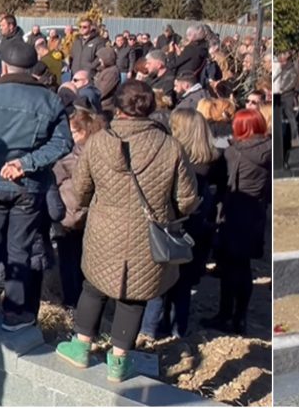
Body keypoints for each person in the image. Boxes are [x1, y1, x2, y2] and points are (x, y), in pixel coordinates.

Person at [55, 80, 198, 383]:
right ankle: (119, 361)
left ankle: (81, 347)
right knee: (134, 296)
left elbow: (79, 192)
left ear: (118, 107)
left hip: (104, 229)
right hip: (148, 233)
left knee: (93, 286)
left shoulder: (98, 142)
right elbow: (187, 200)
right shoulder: (170, 146)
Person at [0, 41, 71, 331]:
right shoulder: (50, 100)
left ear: (3, 67)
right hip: (30, 185)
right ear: (32, 67)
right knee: (20, 248)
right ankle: (13, 312)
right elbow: (63, 143)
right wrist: (27, 163)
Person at [141, 109, 226, 341]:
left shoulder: (177, 161)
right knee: (183, 285)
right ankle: (179, 330)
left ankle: (150, 330)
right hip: (198, 231)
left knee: (159, 283)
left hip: (174, 228)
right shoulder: (215, 160)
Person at [202, 109, 269, 335]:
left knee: (229, 268)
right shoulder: (267, 150)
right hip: (255, 214)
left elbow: (217, 177)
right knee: (244, 268)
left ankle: (225, 314)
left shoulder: (234, 152)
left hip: (233, 213)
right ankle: (240, 318)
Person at [52, 110, 107, 310]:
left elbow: (56, 177)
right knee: (87, 261)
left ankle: (71, 301)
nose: (71, 135)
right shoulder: (106, 152)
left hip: (71, 216)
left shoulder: (72, 155)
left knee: (68, 260)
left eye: (73, 131)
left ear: (84, 132)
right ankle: (88, 302)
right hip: (95, 217)